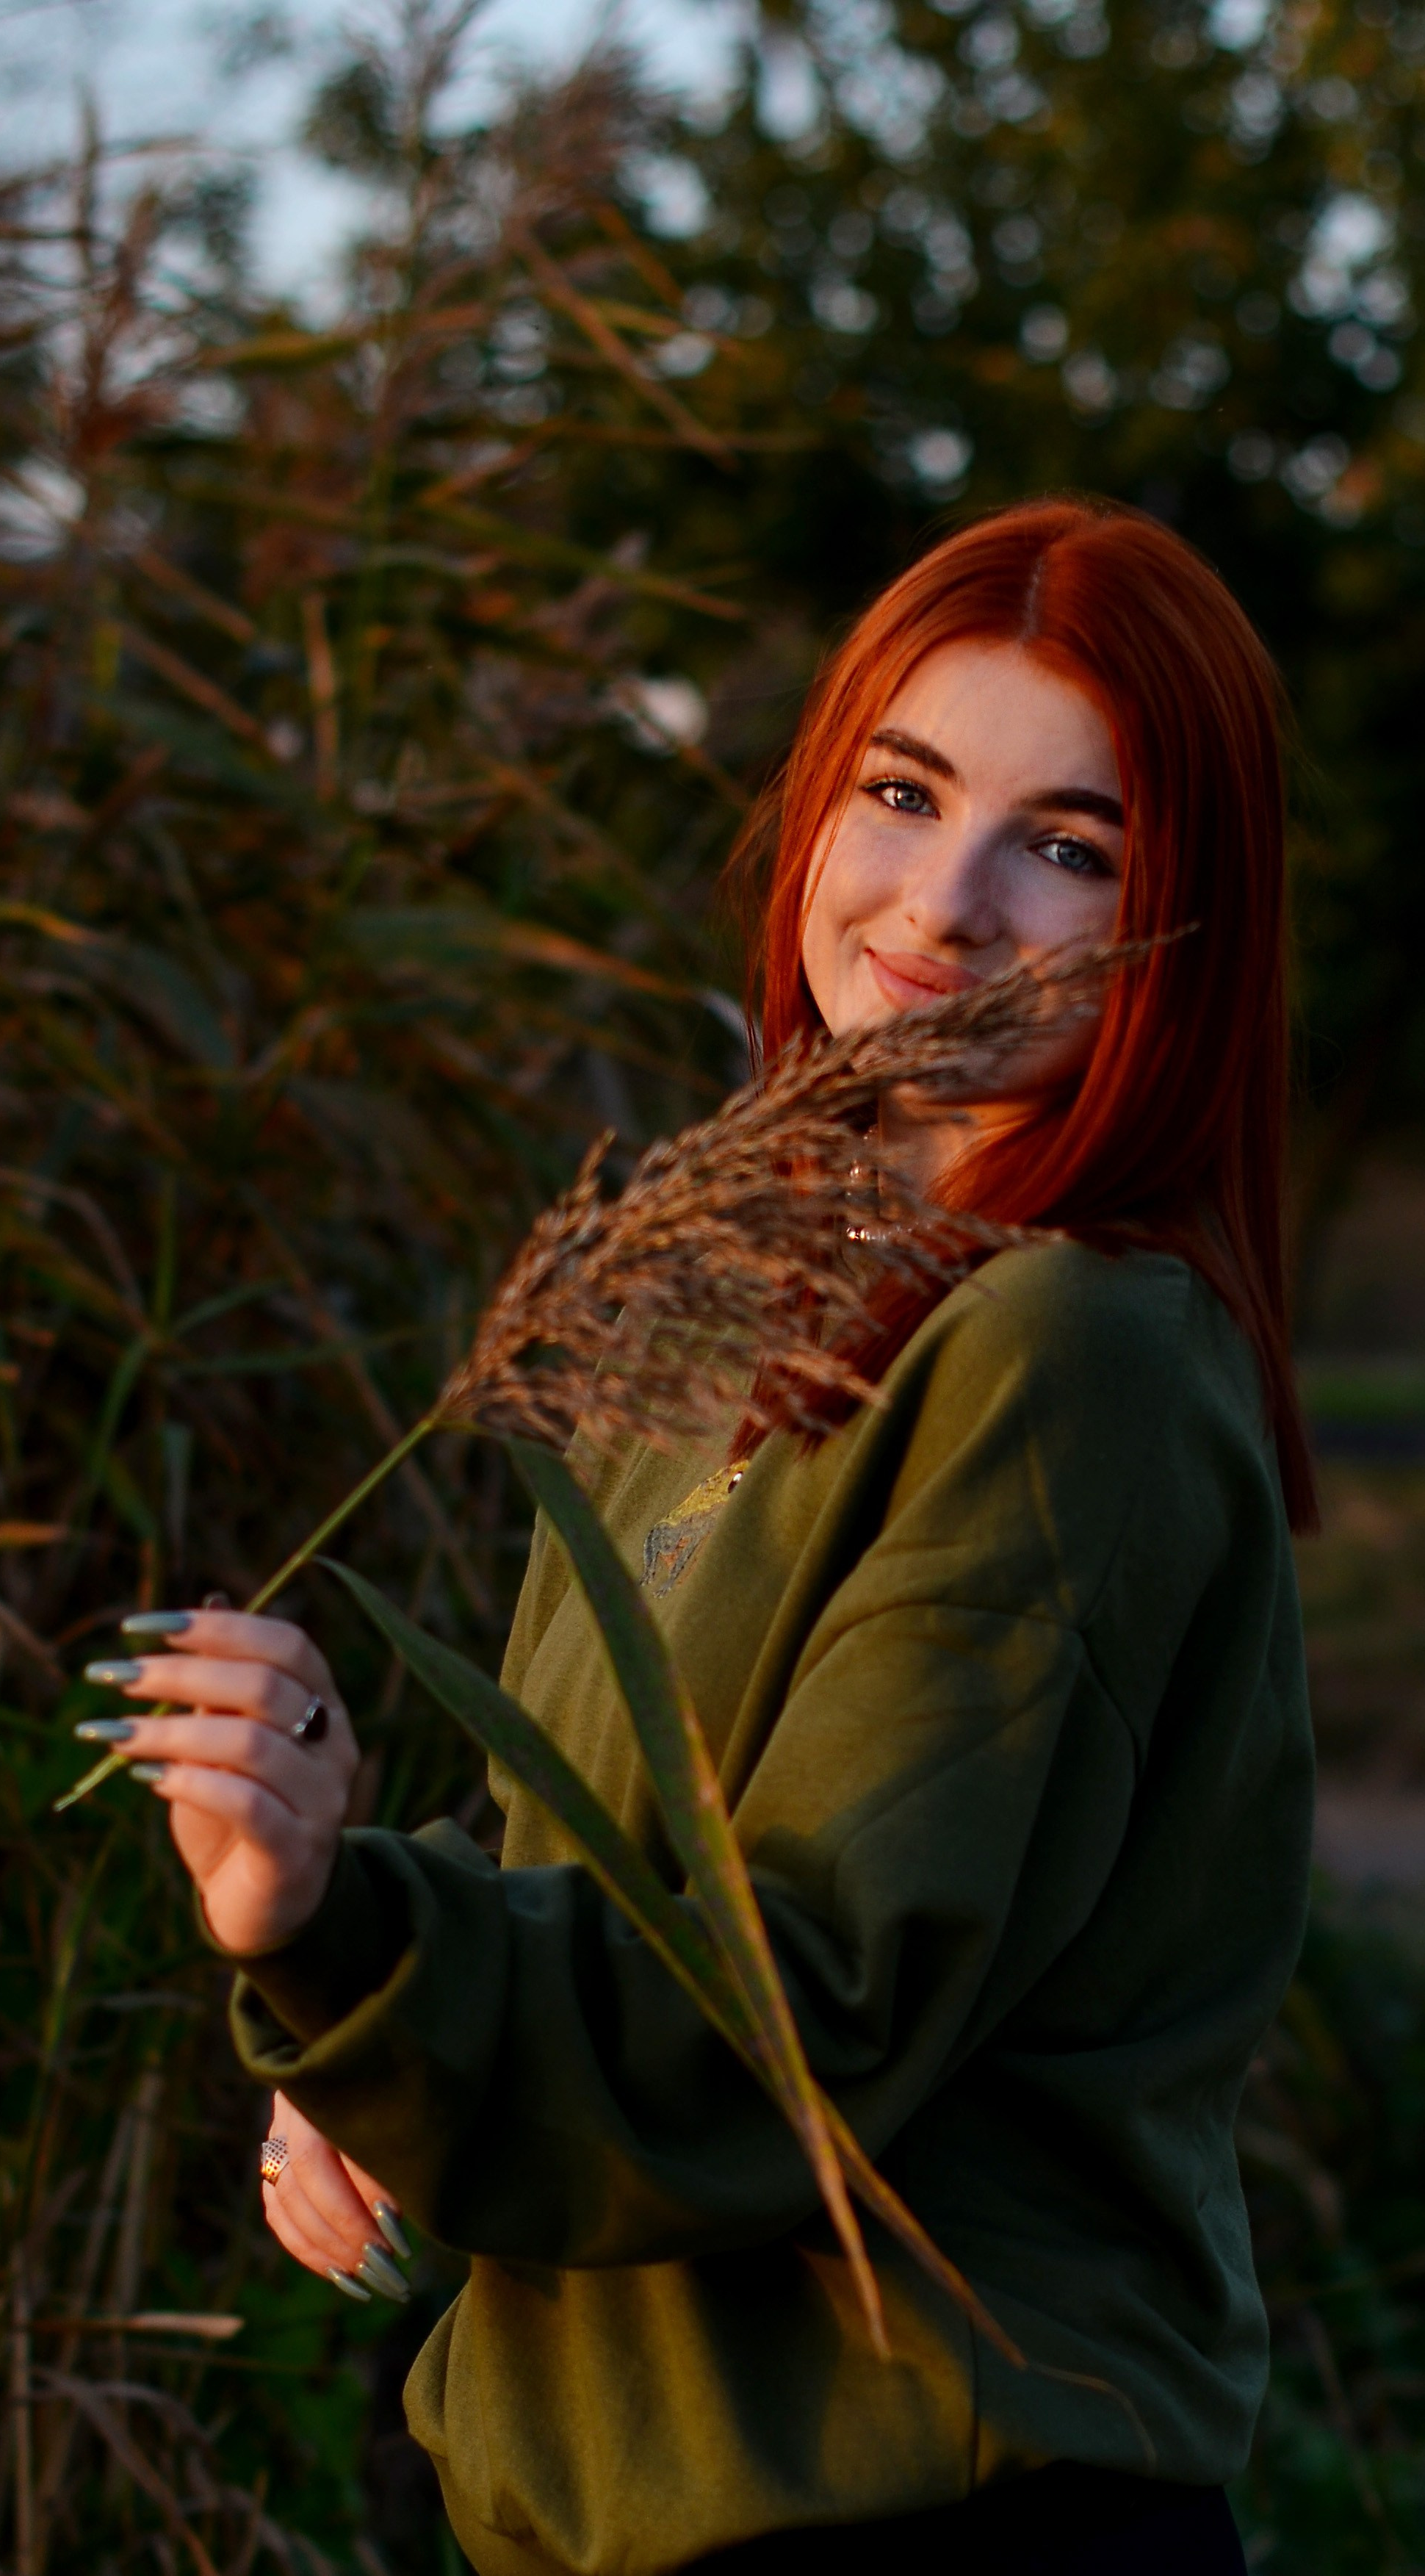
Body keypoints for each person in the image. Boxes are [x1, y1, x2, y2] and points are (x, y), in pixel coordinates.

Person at [77, 499, 1316, 2576]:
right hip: (590, 2497)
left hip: (912, 2515)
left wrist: (348, 1937)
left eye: (1067, 844)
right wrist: (372, 2023)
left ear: (1181, 919)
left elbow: (792, 2020)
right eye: (901, 791)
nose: (943, 901)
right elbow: (587, 1853)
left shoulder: (1069, 1349)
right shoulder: (730, 1289)